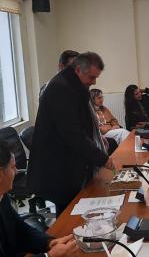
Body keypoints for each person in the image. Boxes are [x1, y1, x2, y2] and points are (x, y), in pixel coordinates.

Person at [29, 52, 115, 214]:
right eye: (91, 77)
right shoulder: (60, 89)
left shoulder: (73, 85)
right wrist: (101, 158)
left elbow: (83, 124)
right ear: (78, 70)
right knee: (69, 214)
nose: (94, 82)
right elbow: (73, 133)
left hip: (71, 161)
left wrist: (96, 140)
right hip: (59, 167)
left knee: (79, 208)